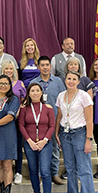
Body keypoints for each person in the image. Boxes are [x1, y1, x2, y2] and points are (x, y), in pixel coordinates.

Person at [55, 71, 95, 193]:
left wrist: (88, 140)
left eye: (74, 79)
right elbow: (59, 116)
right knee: (70, 168)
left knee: (84, 169)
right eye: (69, 79)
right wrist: (56, 132)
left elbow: (90, 120)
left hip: (80, 133)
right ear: (65, 80)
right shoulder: (61, 96)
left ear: (79, 81)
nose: (71, 81)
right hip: (65, 135)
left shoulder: (84, 96)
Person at [18, 83, 55, 193]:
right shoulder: (24, 108)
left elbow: (52, 126)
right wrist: (29, 141)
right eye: (32, 91)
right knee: (33, 170)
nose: (35, 93)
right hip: (30, 143)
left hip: (45, 144)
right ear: (28, 93)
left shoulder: (48, 108)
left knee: (45, 171)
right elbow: (21, 125)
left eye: (37, 90)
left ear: (41, 93)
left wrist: (44, 141)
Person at [30, 56, 65, 185]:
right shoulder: (34, 82)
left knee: (55, 147)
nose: (45, 67)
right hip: (38, 121)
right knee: (39, 146)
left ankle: (54, 173)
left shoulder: (58, 82)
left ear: (50, 66)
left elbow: (63, 100)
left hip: (55, 120)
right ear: (38, 67)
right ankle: (41, 174)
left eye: (47, 65)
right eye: (42, 65)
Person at [0, 60, 26, 184]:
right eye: (6, 69)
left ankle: (18, 171)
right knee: (6, 145)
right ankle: (5, 170)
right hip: (4, 121)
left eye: (11, 69)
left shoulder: (20, 84)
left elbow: (25, 101)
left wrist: (19, 110)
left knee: (17, 145)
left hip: (17, 120)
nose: (9, 71)